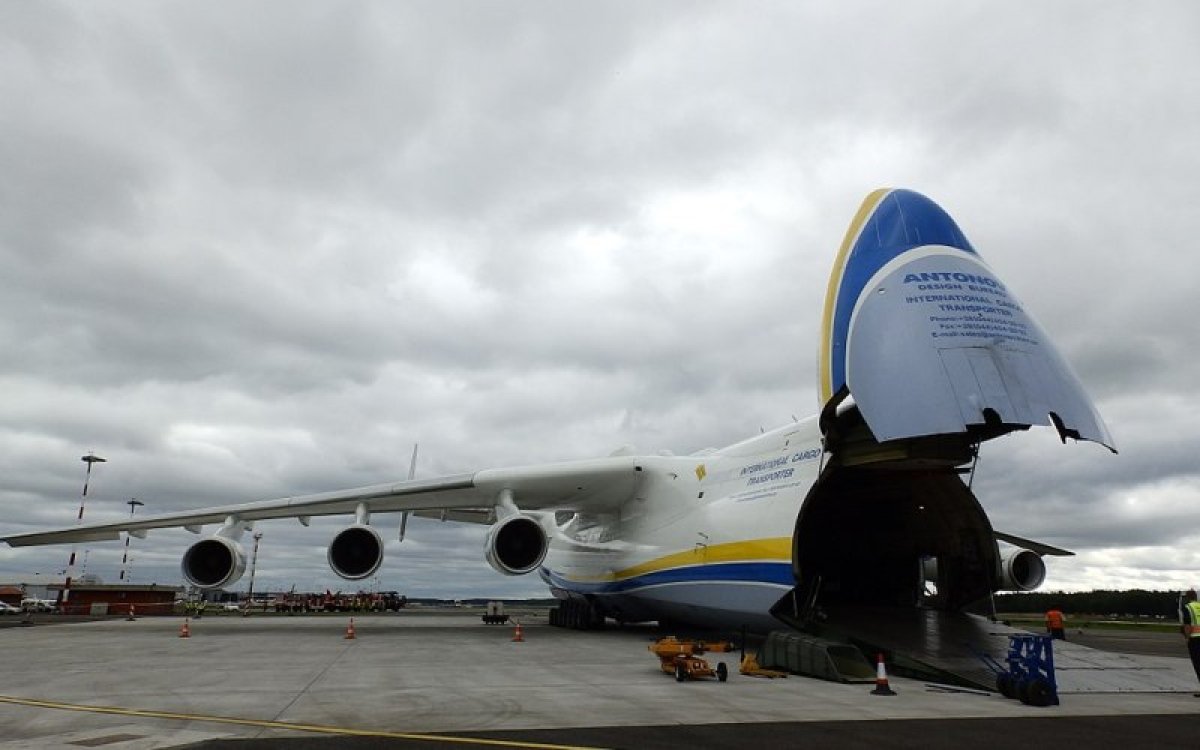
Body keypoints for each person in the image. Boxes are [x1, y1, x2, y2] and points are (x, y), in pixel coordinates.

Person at [1180, 589, 1200, 695]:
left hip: (1195, 639)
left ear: (1187, 598)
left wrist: (1187, 638)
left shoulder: (1188, 607)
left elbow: (1187, 624)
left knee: (1198, 664)